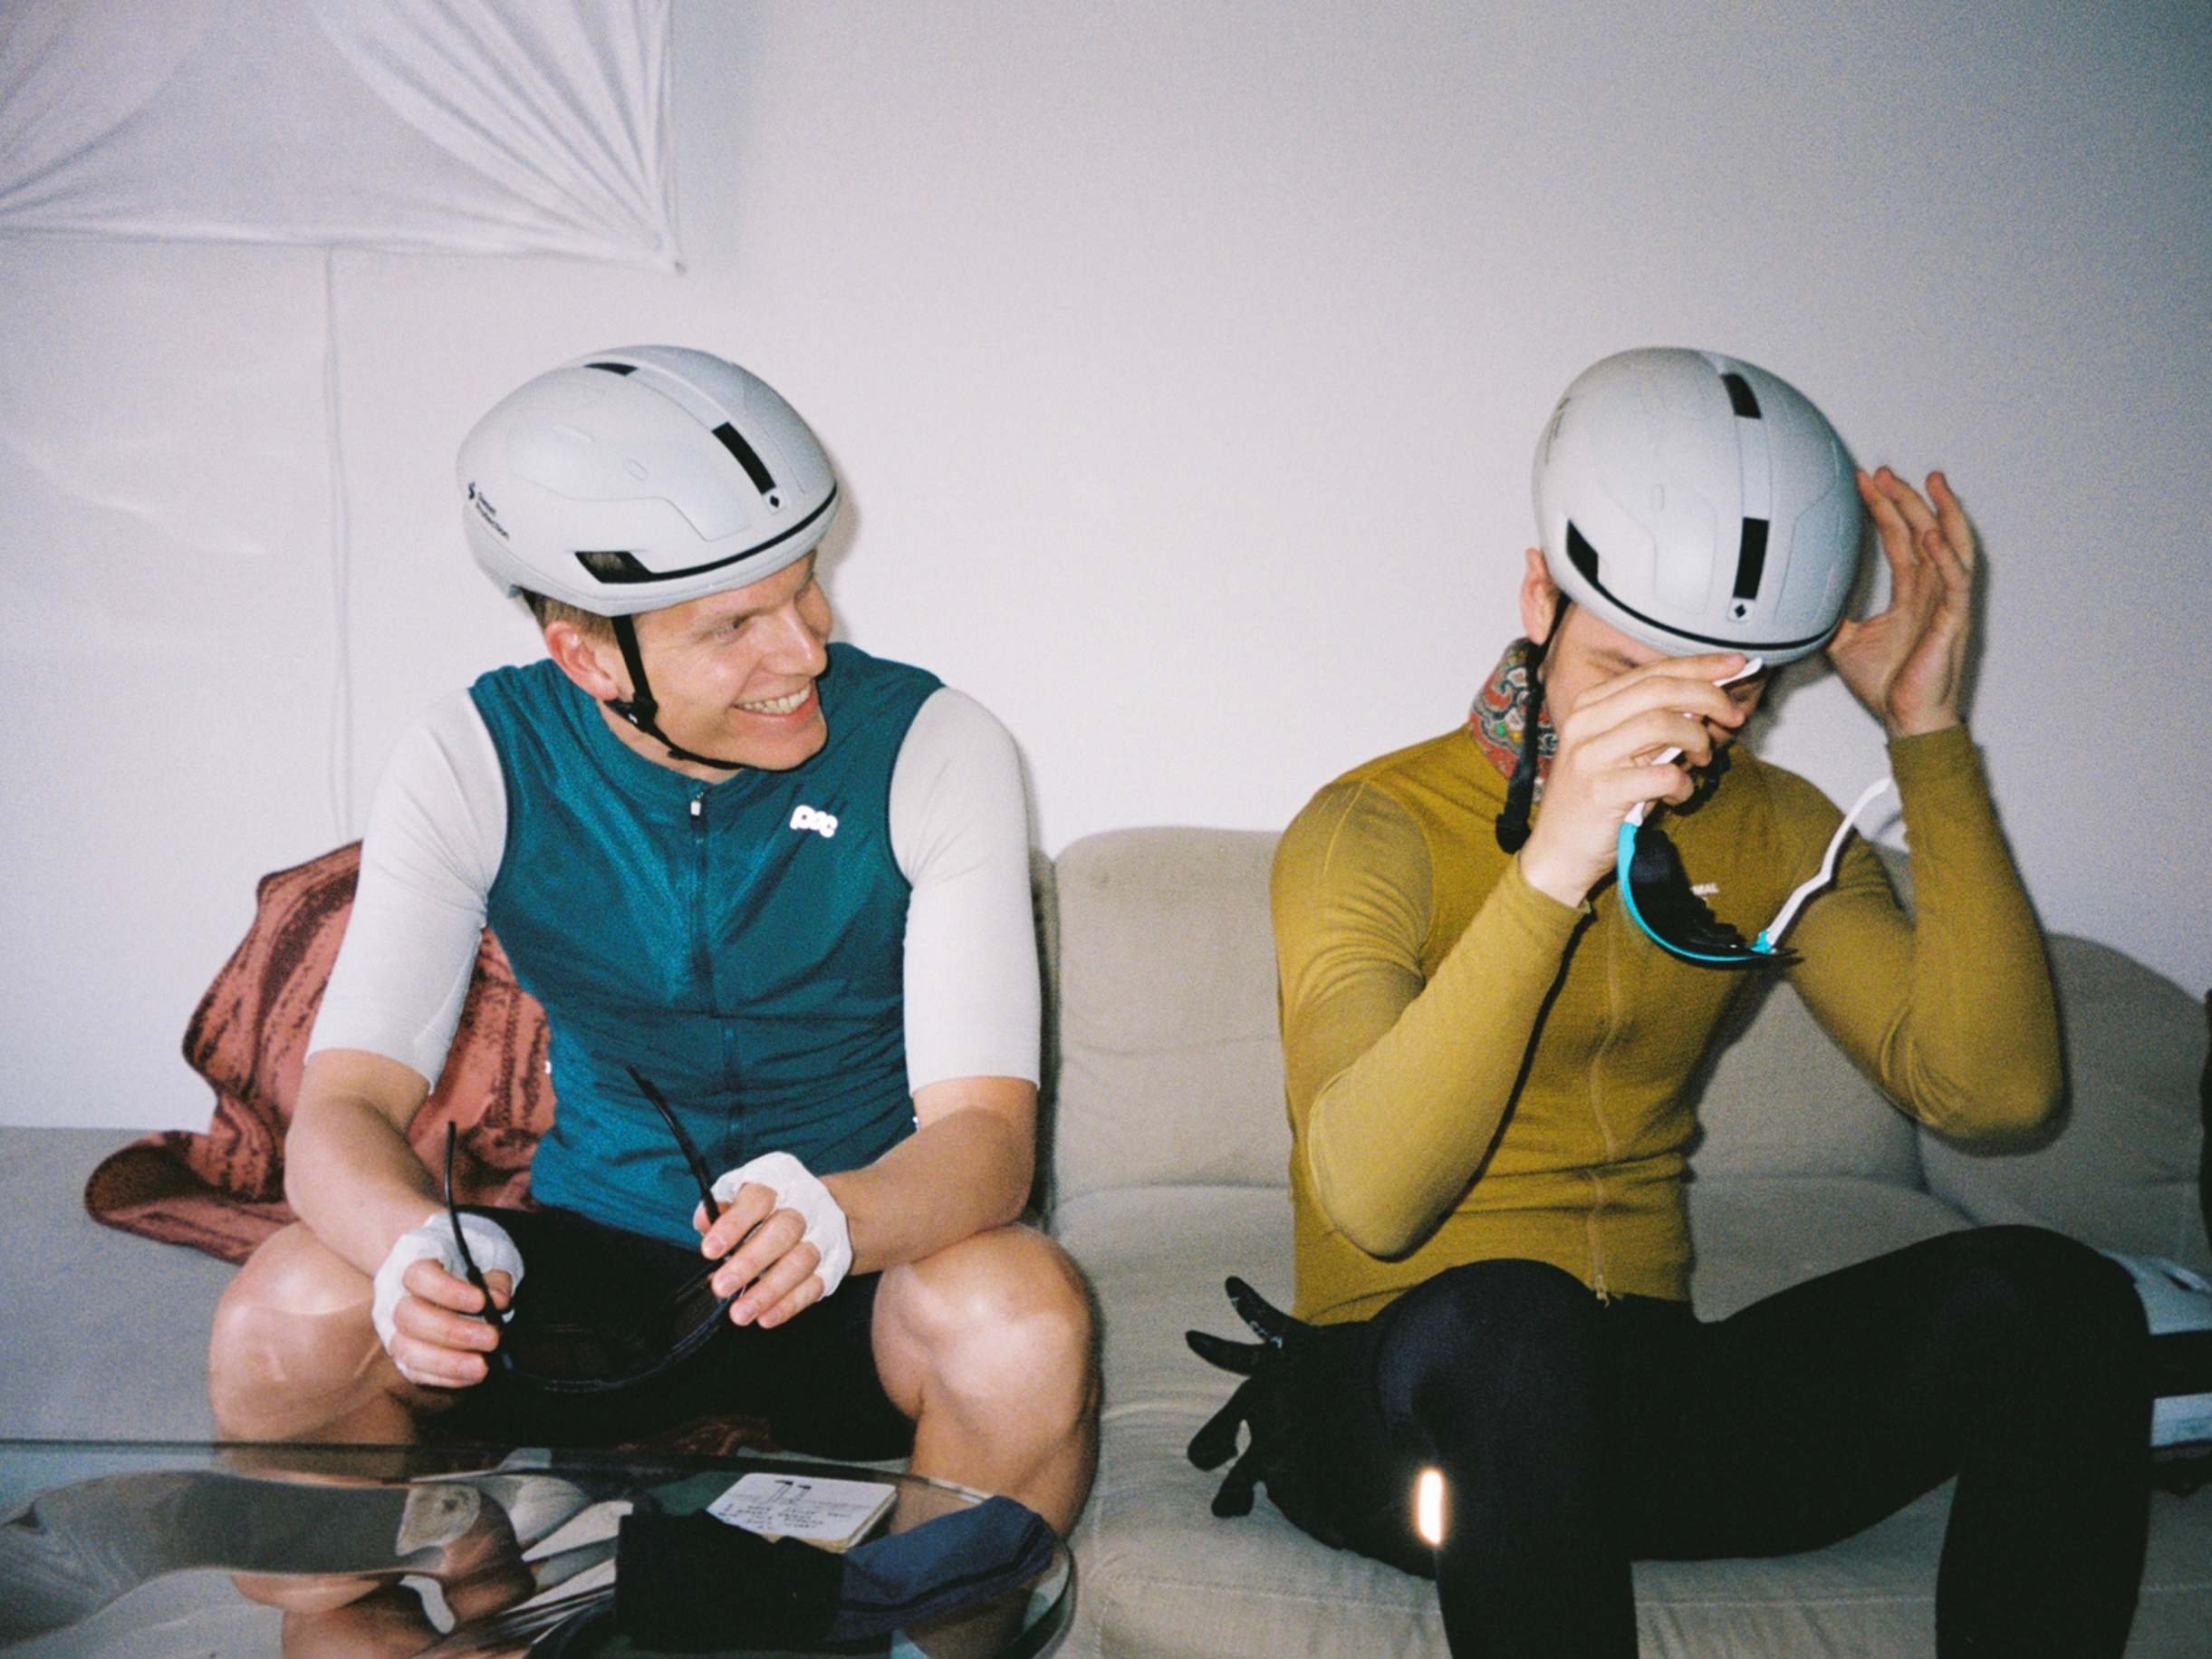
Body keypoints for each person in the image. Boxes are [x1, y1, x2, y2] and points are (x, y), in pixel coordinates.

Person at [1230, 348, 2149, 1656]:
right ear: (1539, 595)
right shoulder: (1368, 825)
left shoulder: (1772, 824)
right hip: (1404, 1421)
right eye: (1623, 669)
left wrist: (1926, 733)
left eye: (1728, 685)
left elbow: (1995, 1096)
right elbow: (1372, 1201)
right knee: (1513, 1324)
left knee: (2054, 1295)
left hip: (1632, 1407)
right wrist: (1551, 862)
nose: (1676, 727)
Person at [208, 347, 1097, 1538]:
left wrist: (842, 1214)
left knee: (1020, 1316)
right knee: (284, 1310)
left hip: (862, 1254)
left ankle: (937, 1620)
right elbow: (344, 1105)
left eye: (805, 589)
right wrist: (416, 1248)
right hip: (595, 1262)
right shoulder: (472, 754)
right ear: (586, 657)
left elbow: (988, 1141)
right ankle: (353, 1620)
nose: (806, 650)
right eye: (735, 625)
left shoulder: (937, 745)